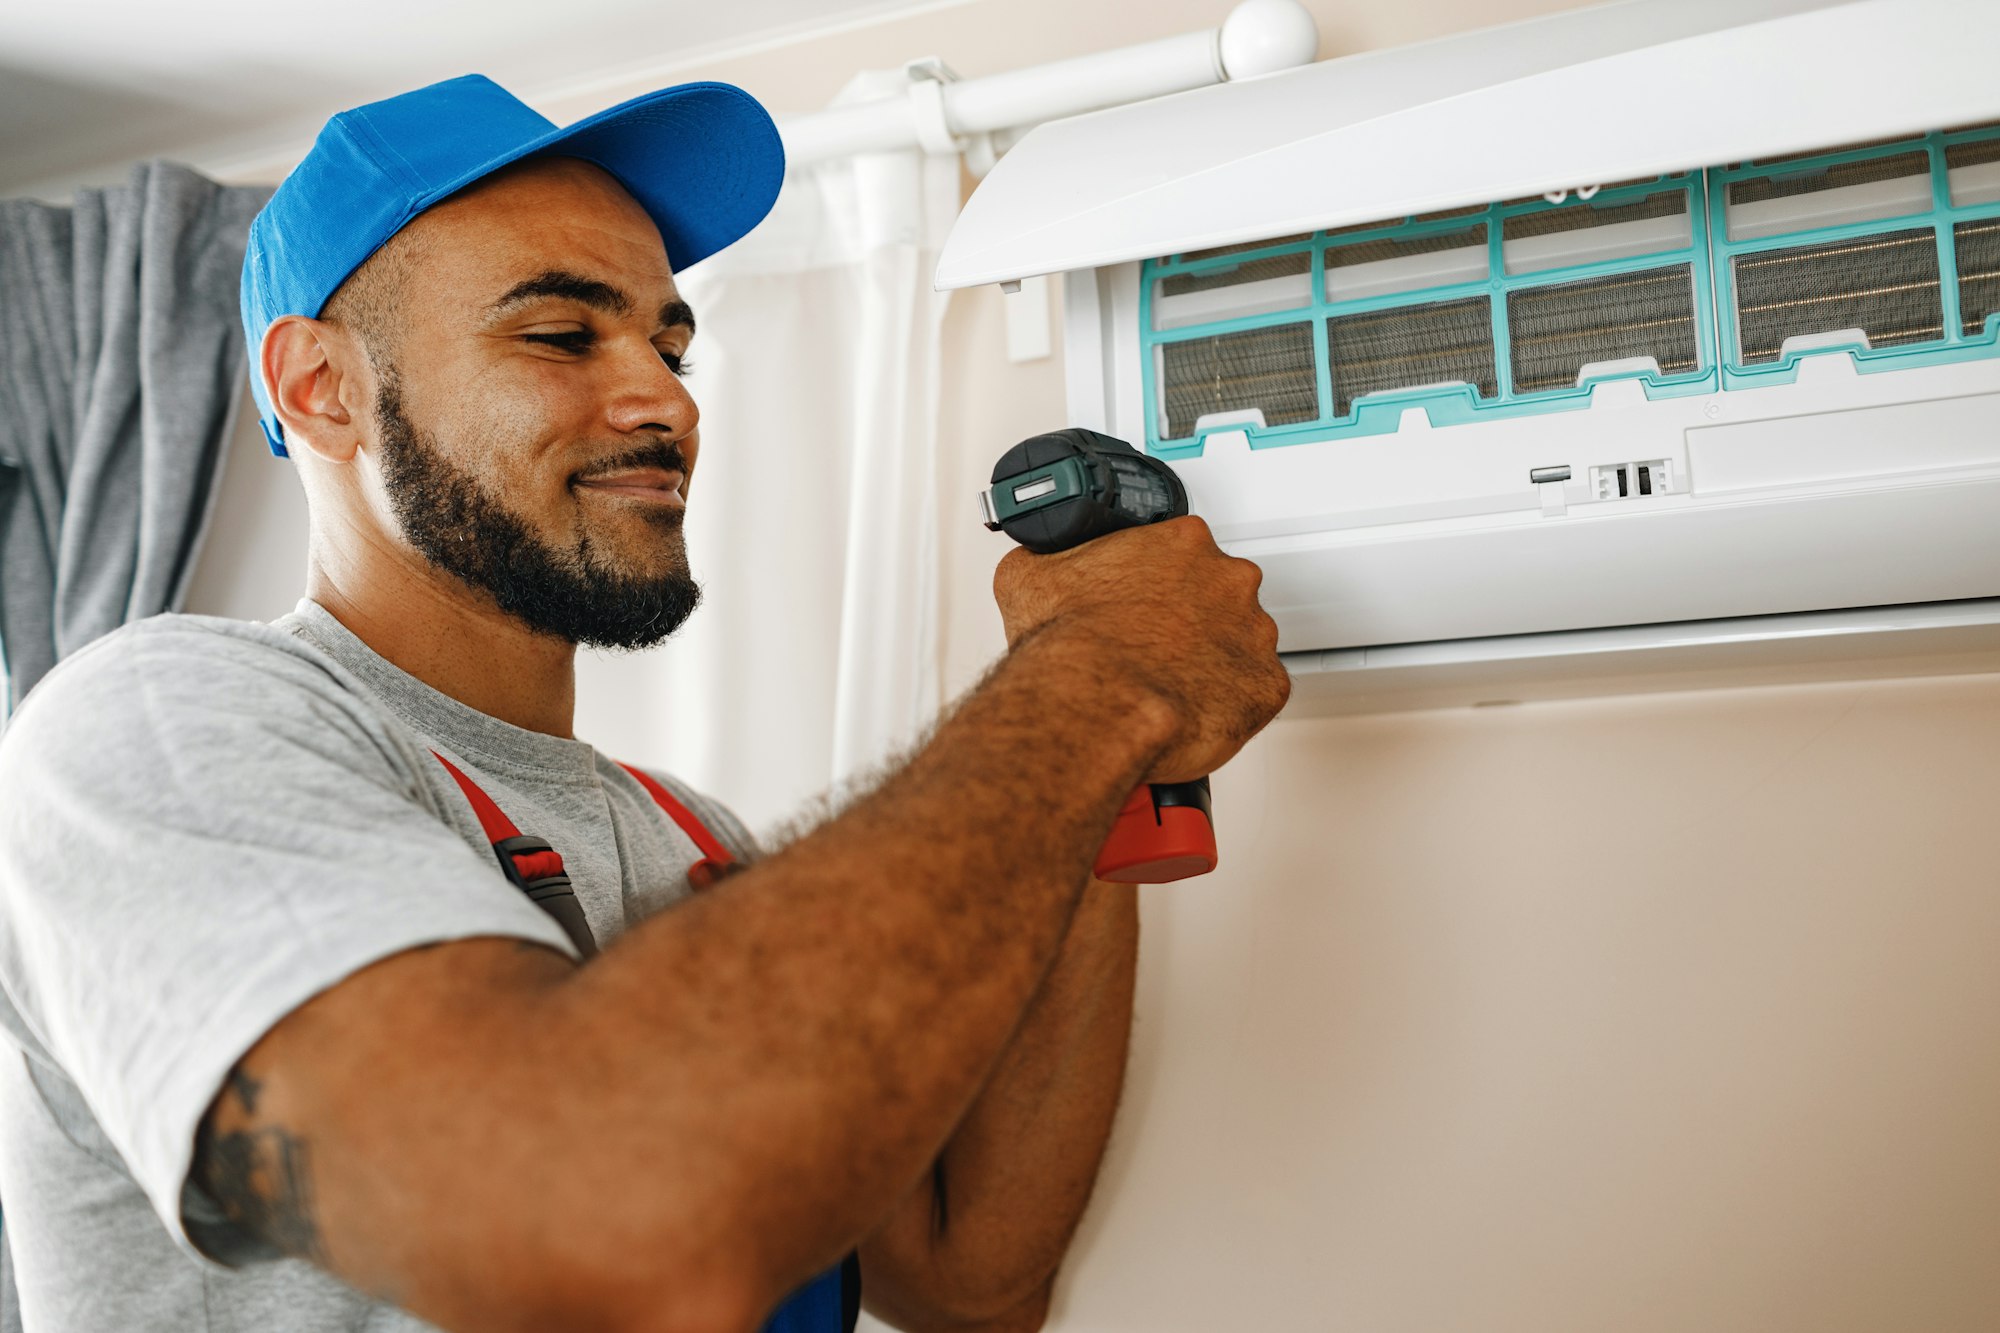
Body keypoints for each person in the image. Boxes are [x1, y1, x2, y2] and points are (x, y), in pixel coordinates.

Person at [0, 74, 1288, 1333]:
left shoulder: (693, 842)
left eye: (669, 342)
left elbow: (969, 1281)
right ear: (320, 388)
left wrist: (1116, 749)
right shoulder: (154, 727)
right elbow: (597, 1234)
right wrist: (1092, 682)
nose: (665, 399)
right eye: (562, 335)